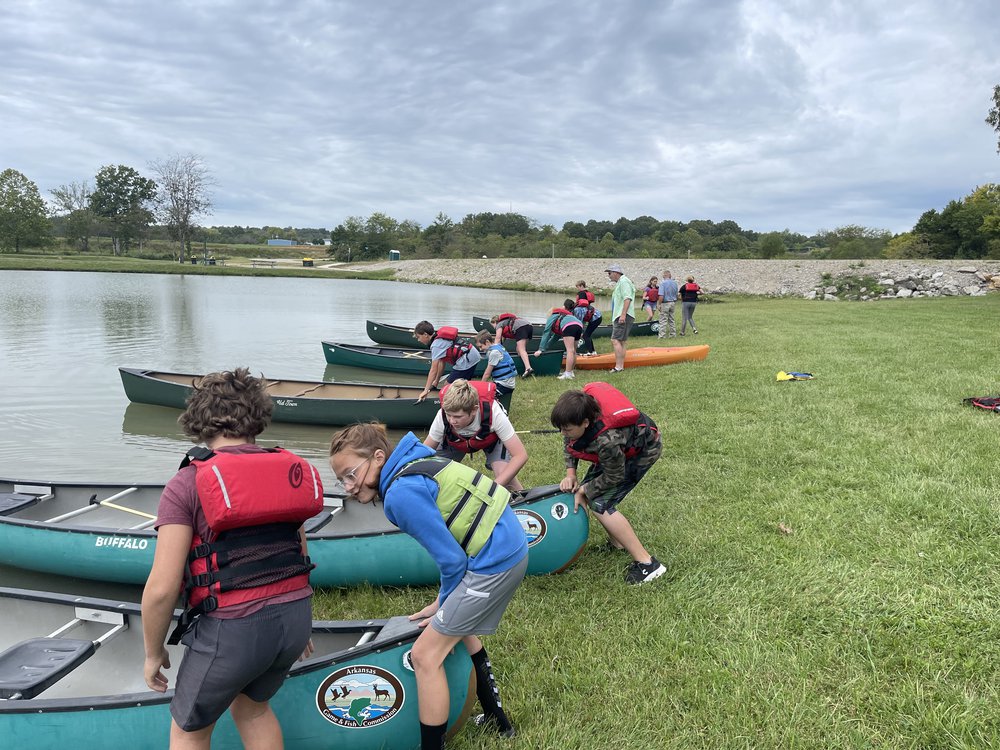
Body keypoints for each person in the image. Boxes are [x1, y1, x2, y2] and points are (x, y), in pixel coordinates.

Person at [142, 368, 322, 749]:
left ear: (197, 418)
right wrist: (301, 625)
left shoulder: (187, 483)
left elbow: (161, 588)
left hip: (232, 629)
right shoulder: (285, 471)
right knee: (253, 708)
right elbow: (299, 554)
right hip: (293, 618)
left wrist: (153, 652)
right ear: (258, 416)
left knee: (188, 731)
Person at [329, 423, 527, 749]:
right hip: (507, 543)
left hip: (494, 561)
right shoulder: (415, 462)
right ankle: (497, 719)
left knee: (424, 656)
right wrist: (444, 604)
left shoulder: (400, 495)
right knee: (459, 628)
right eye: (342, 480)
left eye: (351, 474)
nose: (348, 487)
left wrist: (445, 604)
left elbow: (451, 561)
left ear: (379, 457)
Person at [550, 382, 666, 586]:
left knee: (600, 503)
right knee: (591, 494)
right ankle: (618, 543)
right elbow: (570, 443)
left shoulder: (606, 441)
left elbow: (615, 475)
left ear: (585, 423)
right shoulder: (574, 421)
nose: (563, 433)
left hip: (642, 451)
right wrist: (571, 474)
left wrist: (585, 489)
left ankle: (648, 564)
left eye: (567, 429)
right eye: (561, 428)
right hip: (617, 455)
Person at [423, 378, 527, 491]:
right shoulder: (442, 416)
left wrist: (492, 489)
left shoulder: (494, 412)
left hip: (489, 438)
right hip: (455, 441)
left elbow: (520, 455)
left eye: (458, 417)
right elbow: (423, 454)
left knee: (505, 476)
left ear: (474, 410)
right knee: (428, 471)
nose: (452, 421)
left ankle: (524, 502)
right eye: (449, 415)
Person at [413, 320, 482, 402]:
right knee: (461, 385)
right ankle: (466, 398)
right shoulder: (438, 337)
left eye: (418, 337)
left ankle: (458, 404)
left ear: (425, 335)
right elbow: (442, 362)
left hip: (466, 360)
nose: (418, 340)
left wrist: (425, 390)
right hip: (472, 355)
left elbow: (433, 370)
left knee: (447, 387)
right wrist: (436, 381)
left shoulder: (436, 345)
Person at [535, 299, 583, 380]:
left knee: (570, 350)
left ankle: (567, 374)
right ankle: (571, 372)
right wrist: (544, 348)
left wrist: (540, 349)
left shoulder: (553, 315)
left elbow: (546, 332)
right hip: (579, 325)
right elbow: (555, 337)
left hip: (569, 326)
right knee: (574, 350)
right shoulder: (564, 316)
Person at [605, 263, 636, 373]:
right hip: (623, 314)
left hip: (623, 315)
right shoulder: (621, 282)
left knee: (615, 340)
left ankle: (618, 366)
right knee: (621, 341)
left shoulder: (623, 282)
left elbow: (627, 298)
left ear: (616, 273)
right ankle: (620, 366)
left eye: (609, 273)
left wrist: (622, 315)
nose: (609, 275)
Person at [476, 329, 517, 411]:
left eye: (481, 346)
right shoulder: (498, 346)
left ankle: (493, 411)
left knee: (483, 394)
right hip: (504, 382)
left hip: (504, 385)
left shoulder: (494, 352)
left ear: (487, 342)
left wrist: (480, 386)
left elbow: (487, 373)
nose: (480, 349)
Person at [490, 313, 534, 377]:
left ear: (495, 322)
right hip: (529, 326)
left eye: (492, 325)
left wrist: (492, 350)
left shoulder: (499, 324)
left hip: (521, 327)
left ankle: (528, 368)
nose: (494, 327)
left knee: (522, 350)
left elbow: (497, 339)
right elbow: (502, 340)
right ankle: (523, 366)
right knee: (519, 349)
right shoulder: (507, 322)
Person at [574, 280, 603, 356]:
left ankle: (591, 352)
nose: (577, 289)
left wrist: (579, 332)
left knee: (585, 335)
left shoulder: (580, 296)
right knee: (587, 335)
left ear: (581, 286)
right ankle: (593, 351)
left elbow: (580, 320)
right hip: (597, 316)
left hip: (595, 318)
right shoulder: (587, 293)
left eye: (578, 287)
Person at [657, 270, 679, 338]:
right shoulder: (675, 283)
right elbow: (676, 294)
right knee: (671, 319)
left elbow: (661, 295)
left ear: (664, 275)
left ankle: (662, 336)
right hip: (673, 302)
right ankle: (673, 334)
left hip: (665, 303)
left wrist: (659, 304)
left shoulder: (662, 283)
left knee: (663, 319)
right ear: (670, 275)